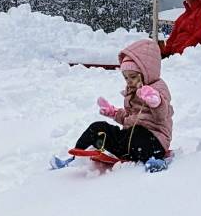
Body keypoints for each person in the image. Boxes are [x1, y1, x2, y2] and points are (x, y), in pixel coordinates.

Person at [52, 39, 173, 169]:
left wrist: (156, 103)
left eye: (133, 77)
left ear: (146, 73)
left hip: (154, 142)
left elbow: (162, 116)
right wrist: (114, 113)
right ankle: (77, 157)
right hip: (130, 142)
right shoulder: (131, 92)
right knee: (98, 127)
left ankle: (154, 161)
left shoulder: (158, 88)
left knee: (137, 131)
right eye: (126, 77)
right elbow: (129, 118)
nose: (129, 81)